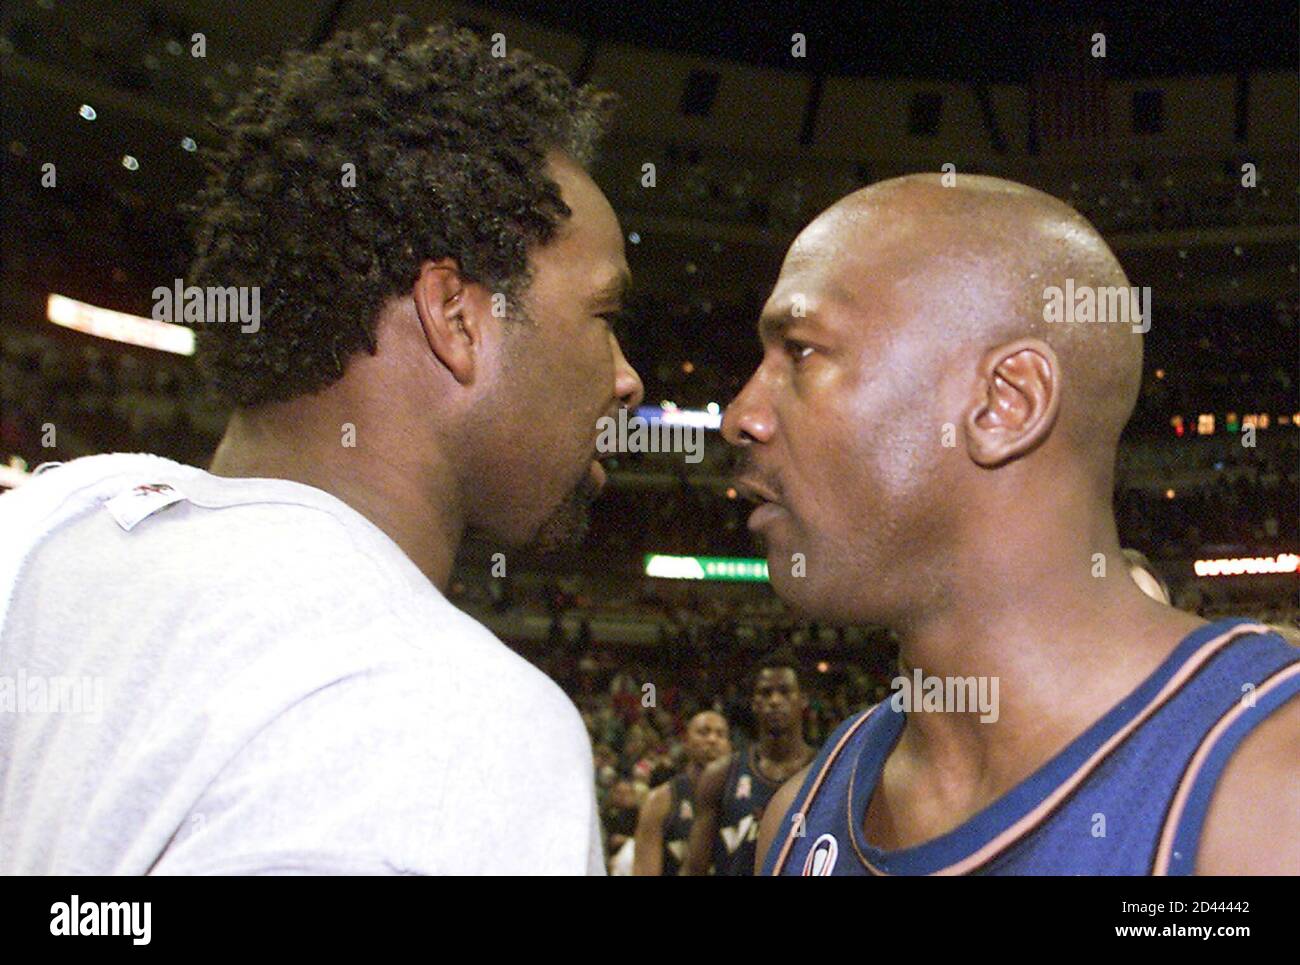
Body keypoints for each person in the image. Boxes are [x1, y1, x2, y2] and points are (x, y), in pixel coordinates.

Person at [0, 18, 643, 875]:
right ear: (455, 316)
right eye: (605, 317)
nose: (628, 377)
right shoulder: (464, 724)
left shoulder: (43, 523)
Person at [721, 174, 1299, 876]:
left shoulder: (1270, 790)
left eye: (802, 350)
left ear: (1005, 404)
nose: (740, 415)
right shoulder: (798, 820)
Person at [680, 653, 814, 875]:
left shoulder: (828, 772)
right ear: (754, 703)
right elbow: (694, 868)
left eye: (784, 691)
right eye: (765, 693)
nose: (775, 700)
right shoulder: (720, 775)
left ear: (803, 699)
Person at [632, 710, 730, 875]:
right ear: (686, 742)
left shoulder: (742, 797)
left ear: (729, 745)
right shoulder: (660, 800)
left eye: (720, 734)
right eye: (704, 732)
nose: (712, 739)